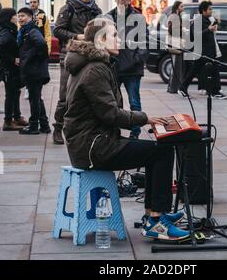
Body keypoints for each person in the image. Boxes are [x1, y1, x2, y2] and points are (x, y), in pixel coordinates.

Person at [63, 17, 189, 241]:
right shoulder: (95, 70)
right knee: (161, 152)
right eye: (114, 35)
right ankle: (156, 220)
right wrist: (147, 119)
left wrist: (145, 121)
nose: (119, 39)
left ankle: (154, 215)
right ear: (101, 40)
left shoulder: (93, 64)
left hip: (91, 142)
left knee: (157, 149)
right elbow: (111, 114)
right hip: (93, 148)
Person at [52, 0, 102, 144]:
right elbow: (58, 30)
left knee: (89, 94)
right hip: (70, 55)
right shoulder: (68, 8)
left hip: (91, 56)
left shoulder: (96, 10)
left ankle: (81, 129)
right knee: (65, 95)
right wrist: (77, 36)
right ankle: (58, 128)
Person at [107, 0, 149, 139]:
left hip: (133, 69)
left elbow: (145, 44)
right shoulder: (108, 17)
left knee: (134, 103)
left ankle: (135, 132)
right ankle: (114, 132)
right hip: (114, 69)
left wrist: (136, 60)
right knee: (114, 103)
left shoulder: (139, 18)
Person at [179, 1, 227, 100]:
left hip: (207, 51)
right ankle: (214, 92)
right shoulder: (198, 21)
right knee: (212, 71)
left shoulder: (207, 20)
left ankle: (183, 88)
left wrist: (212, 29)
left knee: (197, 71)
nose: (211, 11)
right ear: (203, 10)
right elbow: (194, 35)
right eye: (209, 9)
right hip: (203, 52)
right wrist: (208, 30)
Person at [17, 7, 50, 135]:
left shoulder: (31, 31)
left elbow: (42, 45)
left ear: (30, 17)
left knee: (34, 99)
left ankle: (34, 126)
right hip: (33, 70)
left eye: (23, 16)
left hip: (34, 71)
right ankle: (44, 125)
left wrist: (28, 57)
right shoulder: (25, 31)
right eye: (19, 16)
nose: (20, 18)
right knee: (36, 98)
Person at [0, 8, 27, 131]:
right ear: (9, 17)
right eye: (15, 15)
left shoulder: (6, 28)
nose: (17, 18)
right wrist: (12, 59)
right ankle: (8, 121)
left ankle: (16, 117)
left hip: (6, 68)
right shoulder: (6, 31)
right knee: (11, 94)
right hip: (6, 68)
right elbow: (0, 46)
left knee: (15, 92)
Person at [167, 1, 185, 94]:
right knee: (176, 66)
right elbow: (171, 29)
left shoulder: (176, 16)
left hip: (176, 42)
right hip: (175, 43)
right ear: (177, 7)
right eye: (182, 6)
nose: (183, 8)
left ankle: (173, 87)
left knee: (177, 66)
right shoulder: (174, 16)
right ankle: (173, 88)